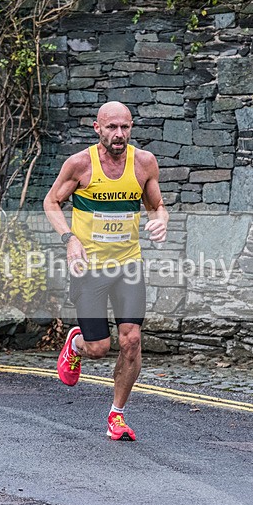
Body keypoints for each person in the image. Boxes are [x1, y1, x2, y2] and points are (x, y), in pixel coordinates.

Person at [43, 101, 168, 441]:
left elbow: (157, 206)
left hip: (128, 264)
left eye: (125, 127)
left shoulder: (143, 163)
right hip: (90, 268)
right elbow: (51, 202)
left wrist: (160, 222)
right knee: (99, 347)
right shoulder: (80, 164)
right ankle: (77, 342)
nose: (119, 134)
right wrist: (69, 238)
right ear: (97, 128)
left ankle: (117, 415)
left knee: (131, 341)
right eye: (112, 127)